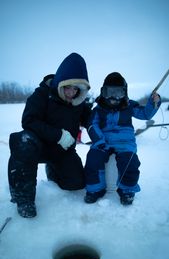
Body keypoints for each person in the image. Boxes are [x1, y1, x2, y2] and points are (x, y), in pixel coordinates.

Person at [8, 52, 91, 218]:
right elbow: (29, 120)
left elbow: (91, 119)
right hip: (37, 147)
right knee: (23, 141)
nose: (71, 93)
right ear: (61, 82)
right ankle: (23, 199)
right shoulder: (41, 95)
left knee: (77, 183)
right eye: (68, 87)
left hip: (63, 152)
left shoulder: (78, 103)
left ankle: (53, 171)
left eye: (76, 89)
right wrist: (58, 135)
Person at [84, 72, 161, 205]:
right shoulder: (99, 109)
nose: (113, 97)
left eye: (118, 92)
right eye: (109, 92)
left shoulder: (129, 105)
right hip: (103, 140)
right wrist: (99, 140)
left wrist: (153, 103)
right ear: (103, 92)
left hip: (125, 142)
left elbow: (145, 114)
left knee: (130, 162)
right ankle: (96, 189)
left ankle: (127, 190)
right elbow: (92, 124)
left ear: (124, 92)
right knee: (93, 158)